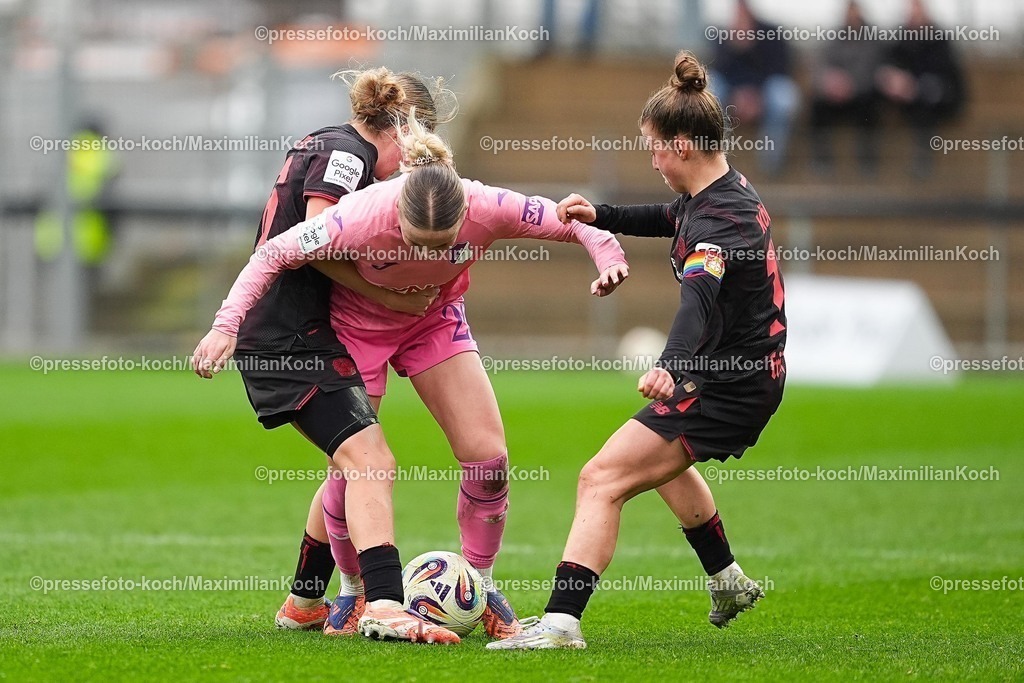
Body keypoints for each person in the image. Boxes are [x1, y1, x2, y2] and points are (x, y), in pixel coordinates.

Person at [193, 109, 630, 640]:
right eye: (412, 239)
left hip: (435, 325)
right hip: (358, 329)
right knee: (358, 464)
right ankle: (353, 594)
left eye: (439, 244)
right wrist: (224, 327)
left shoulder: (488, 205)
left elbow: (571, 221)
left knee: (488, 457)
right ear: (395, 207)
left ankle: (481, 586)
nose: (424, 253)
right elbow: (274, 254)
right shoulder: (356, 214)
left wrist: (607, 257)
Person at [489, 50, 787, 650]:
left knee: (600, 478)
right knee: (662, 462)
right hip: (743, 373)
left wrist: (670, 367)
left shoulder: (720, 223)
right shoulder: (719, 193)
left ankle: (560, 624)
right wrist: (602, 214)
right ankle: (727, 579)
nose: (651, 157)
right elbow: (670, 217)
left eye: (653, 146)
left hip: (726, 381)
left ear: (682, 144)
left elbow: (698, 301)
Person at [193, 66, 464, 645]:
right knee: (372, 462)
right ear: (406, 128)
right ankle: (386, 605)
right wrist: (386, 291)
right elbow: (319, 237)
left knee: (352, 463)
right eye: (414, 155)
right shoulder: (347, 156)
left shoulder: (329, 141)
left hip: (301, 333)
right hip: (287, 339)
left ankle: (305, 602)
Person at [708, 0, 799, 176]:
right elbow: (718, 69)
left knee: (784, 98)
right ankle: (716, 158)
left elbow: (780, 70)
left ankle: (771, 165)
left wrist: (756, 97)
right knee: (711, 92)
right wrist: (734, 48)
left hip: (764, 92)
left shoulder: (772, 34)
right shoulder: (724, 37)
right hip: (735, 94)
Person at [876, 0, 965, 177]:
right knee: (871, 98)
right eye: (910, 12)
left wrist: (913, 85)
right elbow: (888, 63)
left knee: (924, 105)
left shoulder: (939, 39)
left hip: (940, 97)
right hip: (905, 97)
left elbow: (943, 75)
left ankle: (923, 159)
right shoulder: (901, 38)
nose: (913, 17)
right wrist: (891, 77)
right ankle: (872, 162)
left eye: (917, 12)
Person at [809, 1, 883, 176]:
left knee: (870, 104)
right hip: (836, 96)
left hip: (862, 95)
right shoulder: (835, 37)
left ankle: (867, 158)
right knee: (817, 105)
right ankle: (822, 158)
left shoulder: (873, 39)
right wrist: (830, 82)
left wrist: (851, 85)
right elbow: (821, 67)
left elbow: (875, 70)